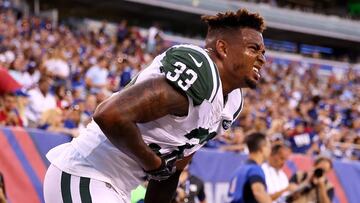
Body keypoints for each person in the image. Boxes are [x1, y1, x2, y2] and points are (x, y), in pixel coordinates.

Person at [43, 8, 266, 203]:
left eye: (262, 52)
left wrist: (160, 168)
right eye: (253, 48)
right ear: (223, 48)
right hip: (86, 173)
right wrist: (153, 163)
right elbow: (109, 115)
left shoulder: (232, 103)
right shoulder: (200, 73)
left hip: (117, 188)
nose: (261, 58)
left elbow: (173, 170)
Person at [227, 132, 272, 203]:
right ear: (262, 148)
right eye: (269, 147)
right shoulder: (254, 169)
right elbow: (258, 192)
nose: (270, 150)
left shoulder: (239, 169)